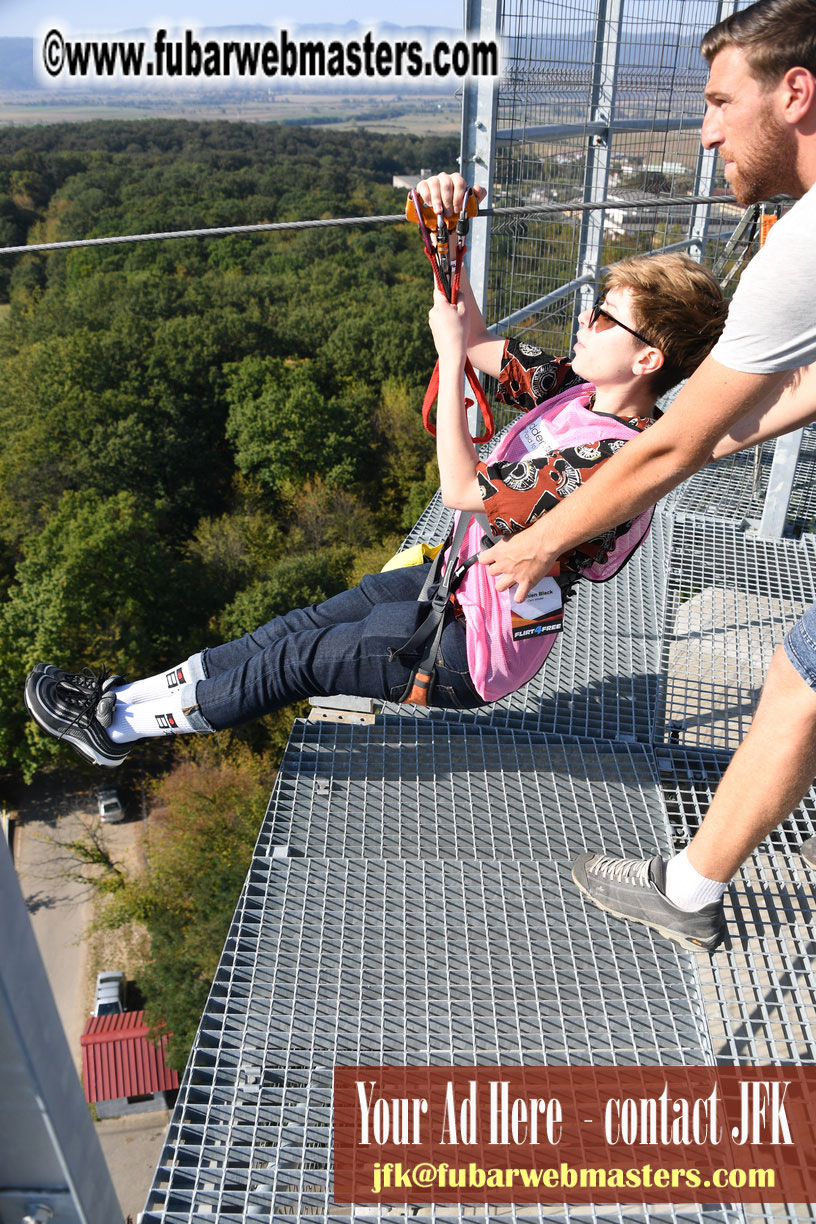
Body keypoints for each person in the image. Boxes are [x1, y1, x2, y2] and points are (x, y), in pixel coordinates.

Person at [23, 189, 726, 773]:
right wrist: (448, 240)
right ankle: (117, 703)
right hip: (454, 584)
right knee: (291, 628)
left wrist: (448, 364)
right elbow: (476, 337)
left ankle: (119, 729)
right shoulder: (576, 388)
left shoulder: (607, 457)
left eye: (605, 318)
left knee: (297, 660)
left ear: (646, 361)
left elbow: (460, 486)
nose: (584, 318)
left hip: (468, 647)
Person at [472, 0, 816, 952]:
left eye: (718, 103)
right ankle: (692, 888)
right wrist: (716, 437)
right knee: (800, 680)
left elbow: (664, 451)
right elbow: (787, 393)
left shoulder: (804, 244)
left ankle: (689, 892)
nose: (706, 134)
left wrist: (538, 541)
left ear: (796, 93)